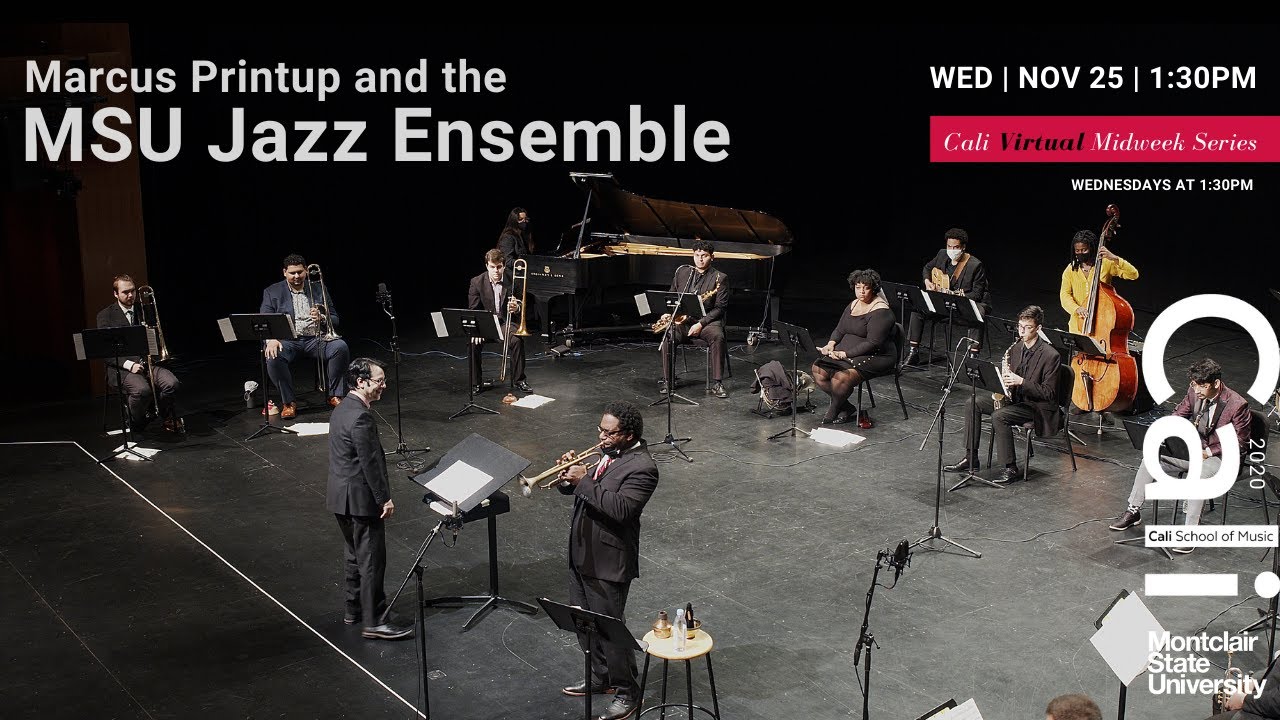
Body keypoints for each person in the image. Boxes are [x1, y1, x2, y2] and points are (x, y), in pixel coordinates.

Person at [556, 401, 659, 720]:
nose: (601, 436)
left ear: (629, 435)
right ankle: (600, 677)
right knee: (583, 623)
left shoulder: (643, 468)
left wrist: (583, 481)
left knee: (611, 630)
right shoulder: (608, 453)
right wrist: (567, 479)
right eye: (600, 429)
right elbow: (585, 493)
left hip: (608, 561)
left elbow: (621, 510)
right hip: (582, 552)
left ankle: (628, 691)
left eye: (608, 432)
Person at [1109, 358, 1252, 553]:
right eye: (1194, 384)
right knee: (1151, 459)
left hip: (1221, 458)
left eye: (1202, 386)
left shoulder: (1237, 404)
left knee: (1199, 476)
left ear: (1216, 383)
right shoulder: (1193, 393)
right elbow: (1177, 416)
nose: (1197, 390)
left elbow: (1240, 443)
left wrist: (1208, 452)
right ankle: (1133, 510)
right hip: (1194, 451)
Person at [326, 358, 412, 641]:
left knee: (354, 556)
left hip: (340, 498)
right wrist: (384, 499)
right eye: (379, 381)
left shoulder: (341, 409)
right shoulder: (361, 417)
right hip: (361, 501)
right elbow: (370, 464)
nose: (384, 386)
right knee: (372, 560)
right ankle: (374, 621)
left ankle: (353, 610)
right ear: (361, 382)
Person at [944, 305, 1060, 483]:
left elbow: (1049, 393)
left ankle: (1010, 468)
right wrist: (1003, 383)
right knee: (973, 403)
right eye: (1020, 326)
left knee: (999, 416)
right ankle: (971, 458)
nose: (1022, 331)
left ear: (1038, 329)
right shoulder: (1016, 348)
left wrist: (1021, 381)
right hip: (1016, 399)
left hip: (1037, 407)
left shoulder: (1051, 355)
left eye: (1027, 327)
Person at [1059, 228, 1139, 417]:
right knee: (1080, 365)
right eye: (1077, 251)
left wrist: (1114, 258)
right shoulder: (1071, 269)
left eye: (1084, 250)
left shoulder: (1105, 264)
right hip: (1079, 326)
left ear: (1092, 248)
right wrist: (1076, 309)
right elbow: (1064, 295)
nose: (1080, 254)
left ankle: (1103, 399)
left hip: (1103, 326)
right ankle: (1081, 400)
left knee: (1102, 363)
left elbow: (1133, 274)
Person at [259, 253, 351, 418]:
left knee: (340, 347)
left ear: (306, 271)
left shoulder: (318, 288)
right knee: (273, 356)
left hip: (316, 339)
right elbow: (265, 321)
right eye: (292, 273)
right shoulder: (272, 291)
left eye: (300, 272)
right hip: (288, 341)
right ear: (284, 272)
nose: (296, 276)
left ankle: (335, 395)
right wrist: (271, 340)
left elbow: (335, 318)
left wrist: (322, 317)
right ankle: (288, 402)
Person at [95, 274, 182, 432]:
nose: (130, 295)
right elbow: (106, 351)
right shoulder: (105, 316)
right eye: (125, 292)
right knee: (142, 390)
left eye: (133, 291)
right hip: (122, 368)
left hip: (148, 363)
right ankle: (137, 421)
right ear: (115, 294)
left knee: (172, 384)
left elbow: (155, 338)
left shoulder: (144, 310)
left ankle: (160, 415)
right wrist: (130, 365)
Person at [811, 269, 897, 428]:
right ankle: (846, 407)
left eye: (866, 288)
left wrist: (845, 354)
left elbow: (873, 343)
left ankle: (834, 408)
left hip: (877, 355)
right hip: (849, 352)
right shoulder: (853, 304)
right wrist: (831, 344)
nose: (861, 291)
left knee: (841, 378)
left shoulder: (881, 311)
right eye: (858, 287)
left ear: (873, 289)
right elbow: (840, 329)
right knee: (818, 370)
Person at [903, 228, 991, 366]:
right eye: (949, 246)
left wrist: (955, 296)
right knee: (918, 309)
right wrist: (927, 281)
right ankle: (913, 352)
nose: (952, 250)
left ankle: (973, 358)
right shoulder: (942, 254)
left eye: (956, 247)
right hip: (943, 303)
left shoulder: (975, 265)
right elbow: (927, 268)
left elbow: (976, 294)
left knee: (977, 314)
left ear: (963, 247)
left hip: (964, 304)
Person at [658, 238, 731, 399]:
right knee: (668, 336)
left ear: (712, 257)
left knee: (718, 336)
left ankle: (717, 383)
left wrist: (700, 324)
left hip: (708, 321)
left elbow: (720, 308)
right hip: (683, 320)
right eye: (697, 255)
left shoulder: (720, 277)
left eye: (704, 255)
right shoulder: (682, 273)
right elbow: (672, 295)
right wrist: (668, 311)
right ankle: (668, 380)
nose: (700, 259)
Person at [468, 248, 531, 393]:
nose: (496, 271)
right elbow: (473, 310)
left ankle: (520, 380)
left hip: (504, 323)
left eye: (499, 267)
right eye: (492, 267)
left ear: (503, 266)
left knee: (517, 340)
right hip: (486, 324)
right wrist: (477, 331)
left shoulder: (513, 279)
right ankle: (476, 383)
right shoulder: (477, 282)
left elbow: (522, 304)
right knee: (472, 343)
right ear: (487, 266)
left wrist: (516, 308)